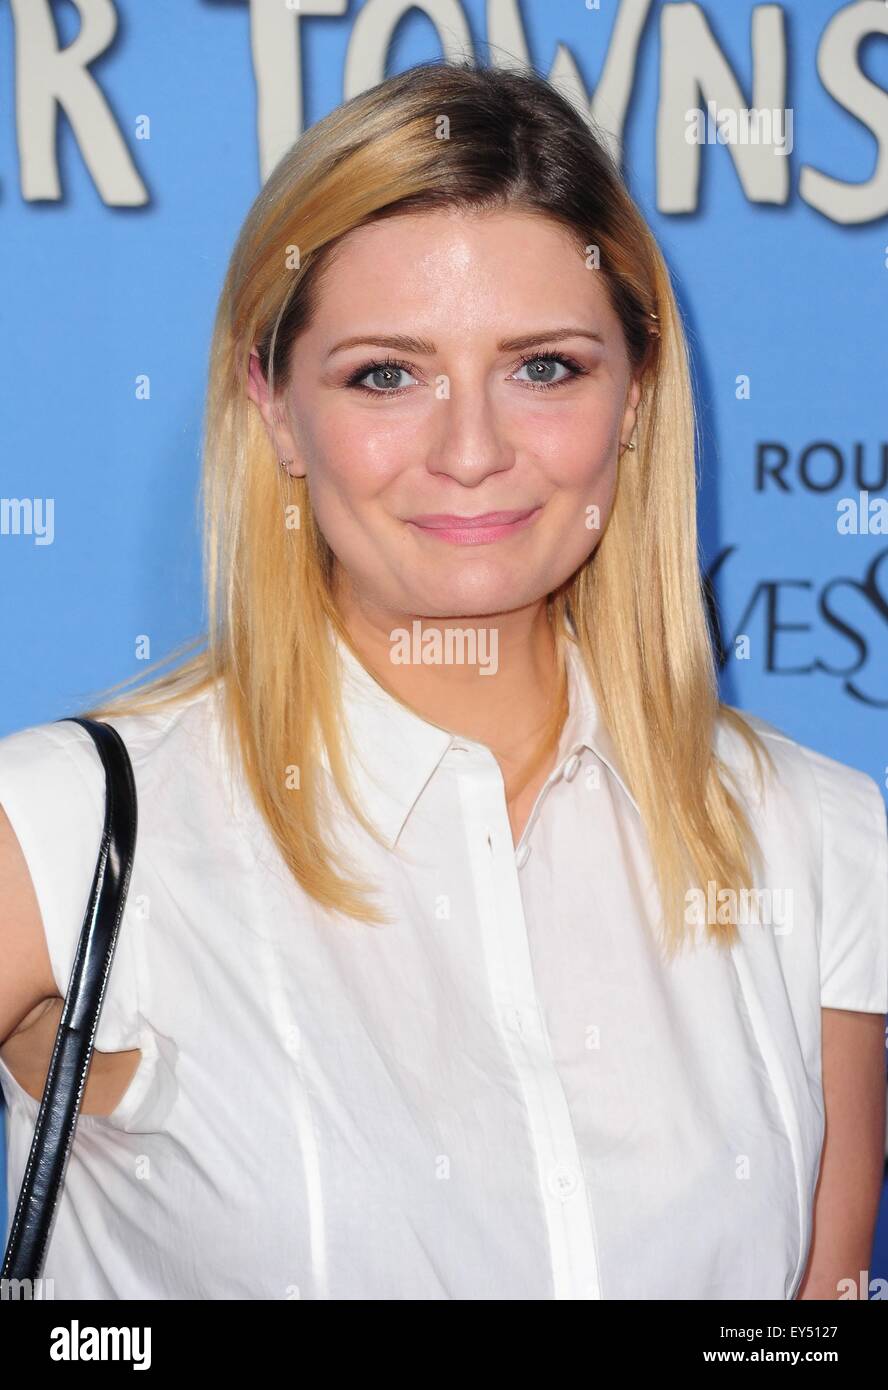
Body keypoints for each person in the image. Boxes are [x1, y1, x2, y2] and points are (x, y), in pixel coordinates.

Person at [1, 59, 886, 1302]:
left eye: (544, 368)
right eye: (385, 374)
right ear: (274, 410)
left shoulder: (819, 839)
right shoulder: (62, 827)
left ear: (635, 396)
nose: (472, 452)